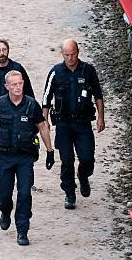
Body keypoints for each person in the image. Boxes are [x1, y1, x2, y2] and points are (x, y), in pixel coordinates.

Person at [0, 71, 55, 246]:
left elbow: (42, 127)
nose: (18, 87)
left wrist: (50, 151)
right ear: (7, 86)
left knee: (24, 193)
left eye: (20, 83)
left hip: (24, 158)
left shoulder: (31, 105)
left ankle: (22, 230)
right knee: (3, 194)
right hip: (4, 157)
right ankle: (5, 211)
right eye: (14, 84)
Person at [42, 39, 104, 209]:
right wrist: (45, 119)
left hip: (83, 123)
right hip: (63, 124)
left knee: (87, 158)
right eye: (67, 55)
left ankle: (83, 176)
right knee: (67, 160)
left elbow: (98, 94)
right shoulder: (55, 72)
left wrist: (101, 117)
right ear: (62, 54)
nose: (70, 58)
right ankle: (69, 193)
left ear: (78, 52)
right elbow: (46, 98)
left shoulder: (88, 71)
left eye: (73, 54)